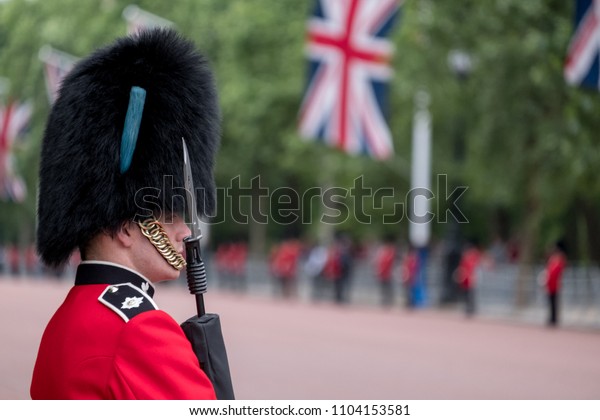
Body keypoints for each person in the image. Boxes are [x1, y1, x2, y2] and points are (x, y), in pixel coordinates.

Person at [30, 29, 221, 399]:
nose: (184, 231)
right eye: (168, 214)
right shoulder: (139, 329)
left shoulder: (63, 321)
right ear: (124, 227)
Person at [541, 240, 567, 327]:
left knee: (554, 302)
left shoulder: (558, 261)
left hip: (555, 285)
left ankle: (554, 319)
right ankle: (552, 318)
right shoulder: (553, 260)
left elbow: (555, 273)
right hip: (551, 285)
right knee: (551, 302)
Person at [374, 236, 397, 307]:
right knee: (384, 288)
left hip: (387, 274)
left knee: (388, 288)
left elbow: (387, 263)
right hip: (383, 274)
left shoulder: (389, 253)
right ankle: (385, 301)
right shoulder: (384, 253)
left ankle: (389, 301)